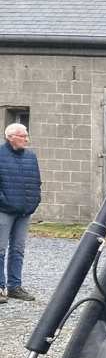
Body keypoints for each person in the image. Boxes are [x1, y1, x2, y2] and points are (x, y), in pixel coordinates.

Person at [0, 124, 42, 303]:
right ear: (10, 137)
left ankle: (14, 287)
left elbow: (37, 182)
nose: (26, 139)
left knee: (18, 250)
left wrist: (34, 201)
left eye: (26, 136)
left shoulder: (31, 156)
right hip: (4, 210)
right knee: (0, 250)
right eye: (22, 136)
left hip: (25, 211)